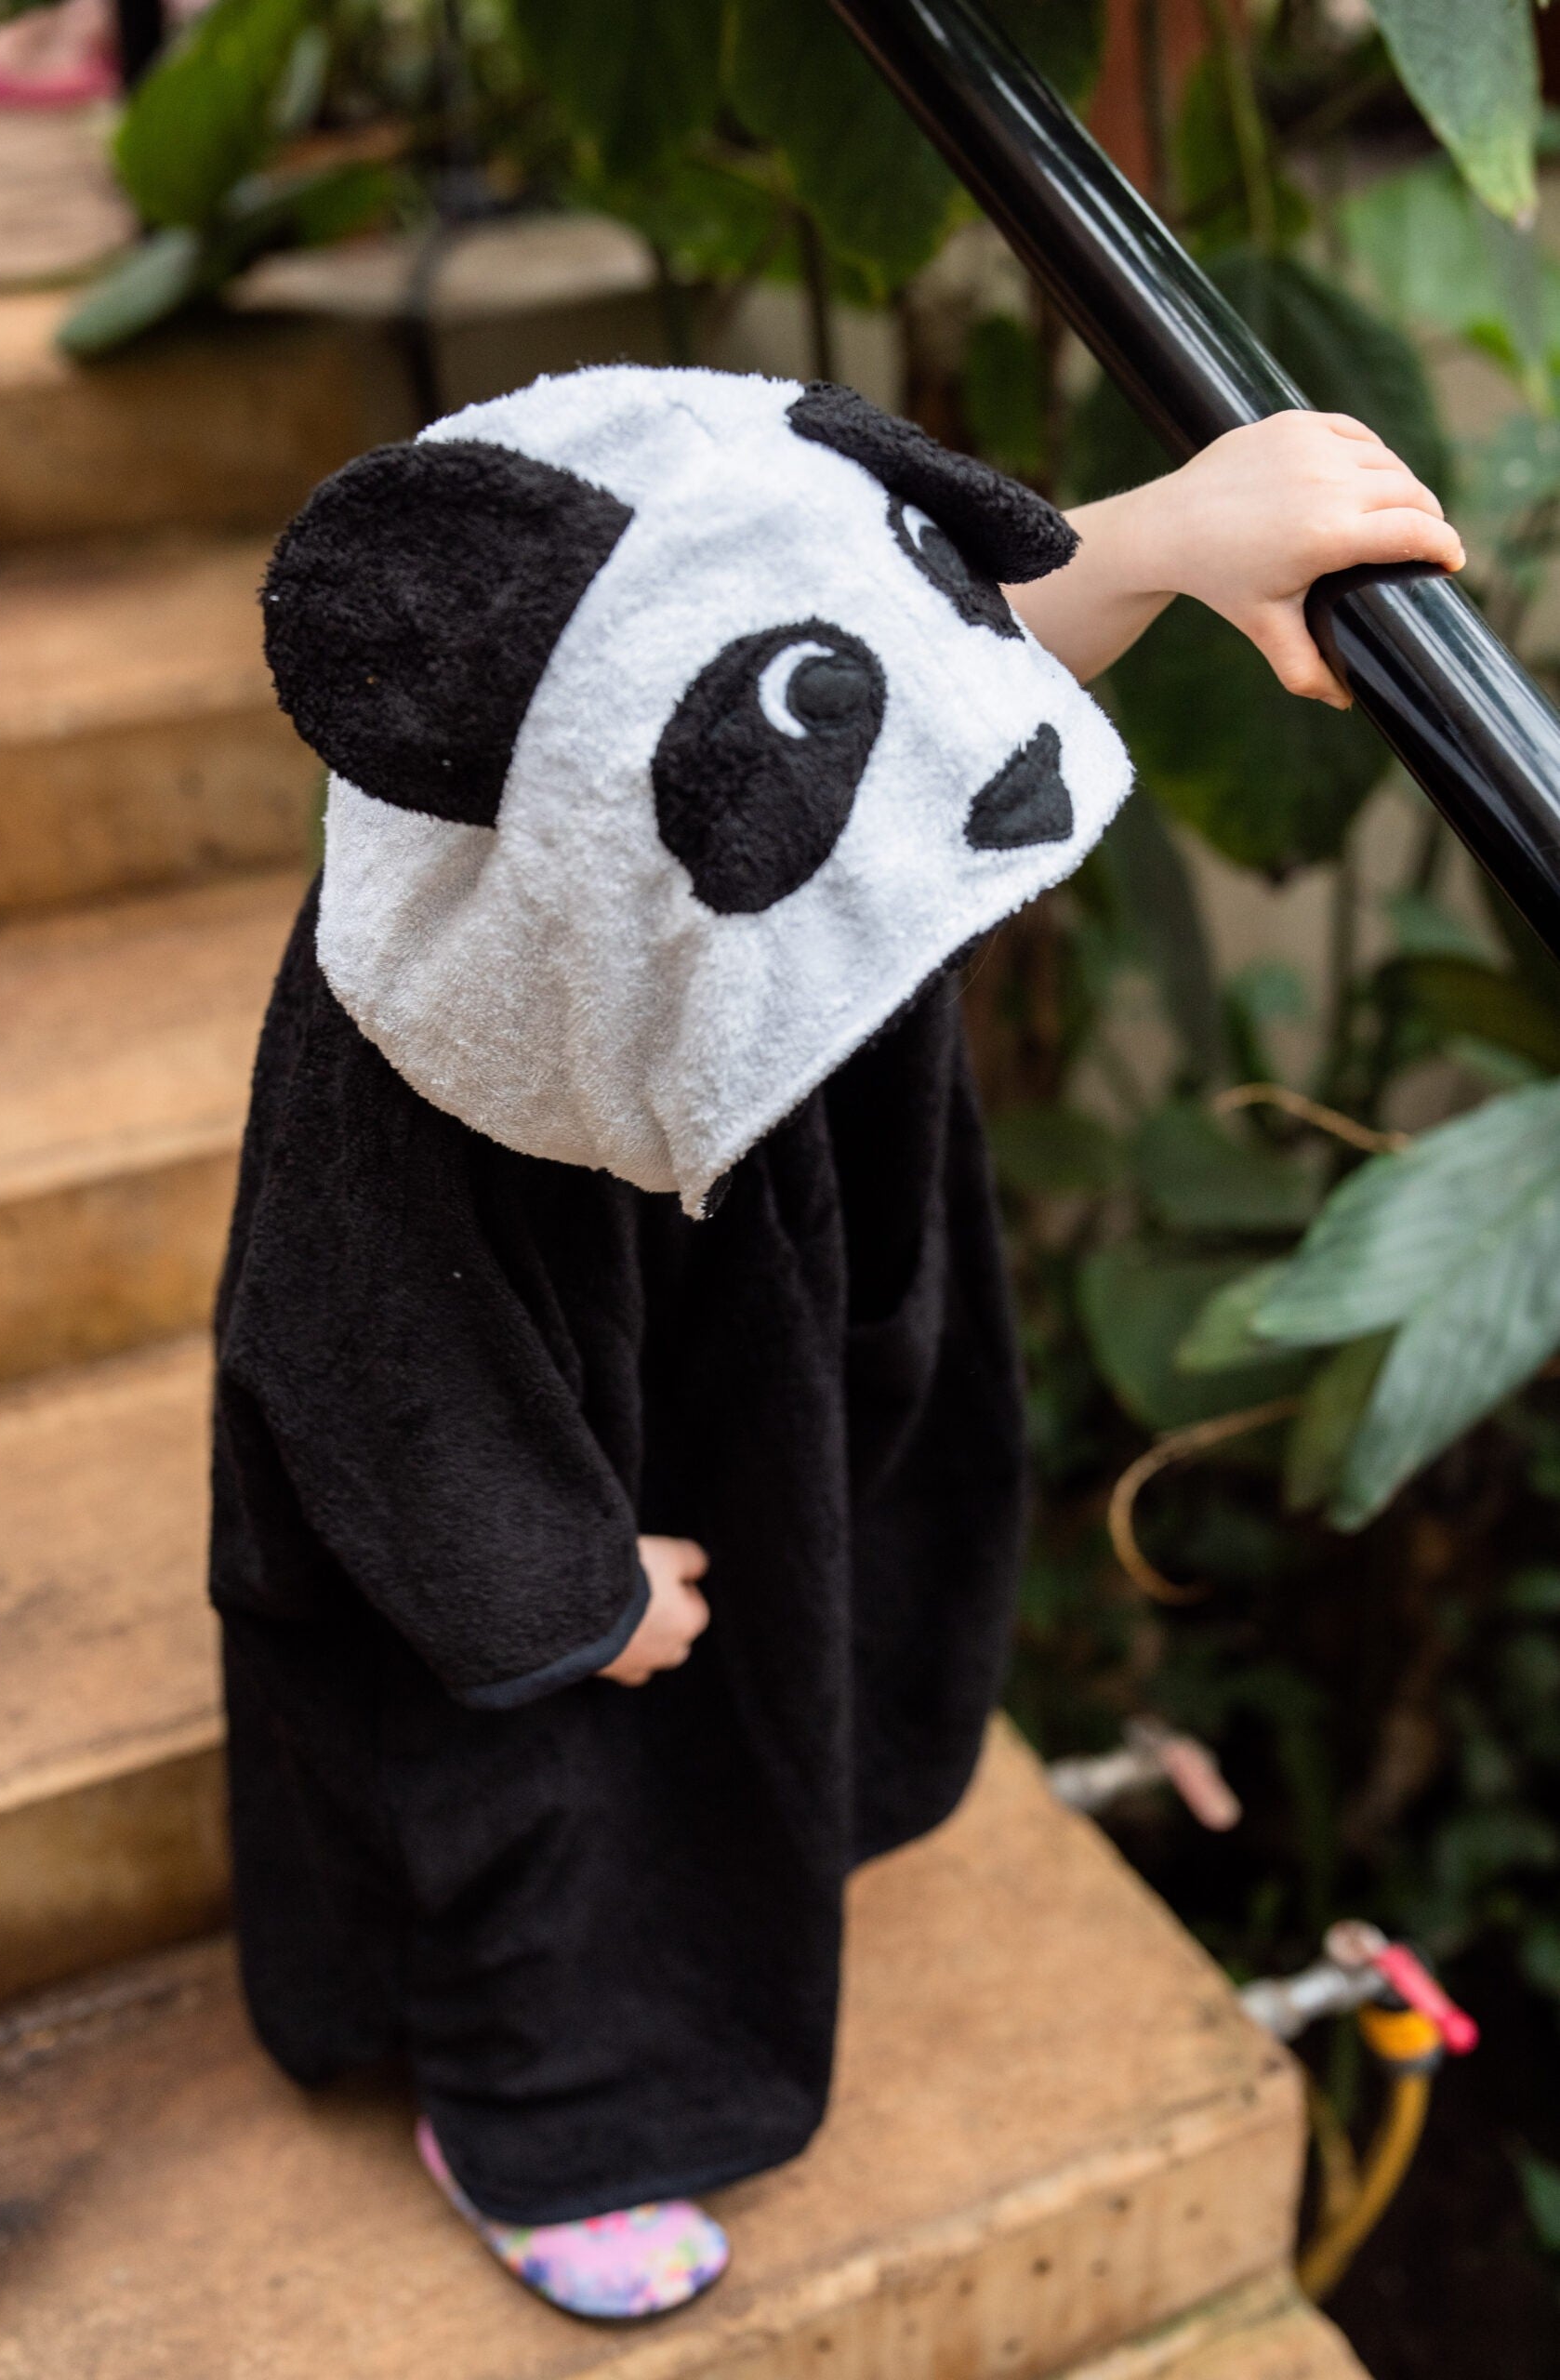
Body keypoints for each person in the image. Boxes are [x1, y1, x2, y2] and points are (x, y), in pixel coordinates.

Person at [214, 369, 1460, 2325]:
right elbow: (362, 1350)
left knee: (786, 1653)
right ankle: (544, 2110)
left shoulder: (670, 809)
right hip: (547, 1421)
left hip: (753, 1273)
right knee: (544, 1772)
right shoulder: (429, 1020)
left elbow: (925, 629)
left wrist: (1160, 535)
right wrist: (557, 1578)